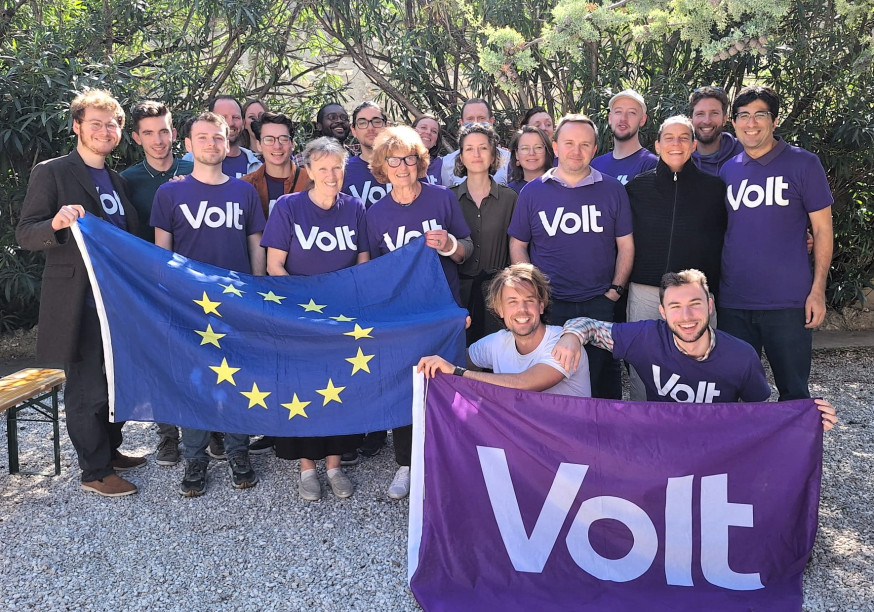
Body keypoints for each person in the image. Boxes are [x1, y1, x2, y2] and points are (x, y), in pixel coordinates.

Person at [16, 89, 145, 497]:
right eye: (96, 123)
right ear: (77, 127)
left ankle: (110, 450)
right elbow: (25, 233)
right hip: (80, 303)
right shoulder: (52, 172)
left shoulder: (119, 181)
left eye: (112, 125)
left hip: (117, 303)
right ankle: (93, 471)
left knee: (117, 381)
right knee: (87, 387)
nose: (105, 131)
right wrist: (55, 223)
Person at [551, 269, 838, 432]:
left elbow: (758, 416)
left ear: (710, 306)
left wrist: (804, 417)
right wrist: (572, 335)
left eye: (695, 304)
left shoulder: (741, 355)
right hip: (661, 443)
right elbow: (586, 324)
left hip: (714, 450)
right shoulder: (646, 337)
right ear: (662, 312)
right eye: (675, 307)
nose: (686, 316)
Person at [151, 111, 267, 497]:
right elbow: (161, 255)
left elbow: (255, 248)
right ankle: (195, 457)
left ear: (227, 142)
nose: (211, 144)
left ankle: (238, 451)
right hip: (188, 306)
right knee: (194, 382)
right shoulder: (170, 193)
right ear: (188, 144)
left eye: (218, 137)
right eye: (202, 137)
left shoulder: (244, 192)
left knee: (236, 379)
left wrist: (256, 296)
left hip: (234, 304)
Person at [260, 137, 369, 501]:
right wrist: (301, 305)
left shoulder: (355, 208)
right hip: (299, 317)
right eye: (323, 168)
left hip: (341, 316)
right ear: (308, 170)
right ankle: (308, 467)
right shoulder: (289, 207)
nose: (331, 175)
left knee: (339, 386)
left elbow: (363, 262)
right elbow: (274, 264)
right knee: (303, 387)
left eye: (337, 167)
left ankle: (334, 464)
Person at [366, 125, 472, 500]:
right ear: (382, 167)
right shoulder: (375, 214)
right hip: (401, 317)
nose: (402, 166)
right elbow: (372, 272)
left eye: (409, 158)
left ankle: (450, 461)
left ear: (419, 161)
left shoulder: (442, 199)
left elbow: (467, 252)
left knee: (447, 385)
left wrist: (449, 245)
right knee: (405, 388)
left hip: (441, 311)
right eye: (392, 160)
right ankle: (407, 464)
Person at [717, 85, 833, 402]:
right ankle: (744, 453)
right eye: (743, 116)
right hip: (735, 303)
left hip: (789, 303)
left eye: (760, 115)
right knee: (736, 394)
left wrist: (818, 291)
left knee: (794, 393)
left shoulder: (804, 164)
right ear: (734, 122)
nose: (751, 123)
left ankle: (795, 453)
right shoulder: (728, 170)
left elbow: (822, 230)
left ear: (774, 120)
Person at [508, 114, 633, 400]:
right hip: (552, 304)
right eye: (569, 143)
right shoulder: (533, 192)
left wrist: (614, 291)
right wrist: (532, 292)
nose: (576, 151)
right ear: (555, 146)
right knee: (554, 381)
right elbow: (518, 245)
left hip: (598, 301)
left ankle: (604, 441)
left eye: (585, 144)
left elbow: (626, 245)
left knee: (603, 380)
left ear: (594, 148)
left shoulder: (613, 189)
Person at [623, 115, 727, 400]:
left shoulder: (715, 189)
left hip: (695, 293)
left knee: (699, 363)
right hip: (646, 290)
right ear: (657, 145)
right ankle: (643, 424)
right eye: (669, 138)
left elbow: (733, 235)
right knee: (643, 362)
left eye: (683, 138)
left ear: (694, 145)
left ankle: (695, 431)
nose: (676, 144)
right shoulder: (636, 188)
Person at [120, 99, 194, 466]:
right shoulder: (128, 180)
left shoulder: (194, 168)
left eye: (163, 130)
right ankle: (168, 437)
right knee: (161, 360)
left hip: (198, 284)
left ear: (174, 133)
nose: (158, 139)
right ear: (136, 137)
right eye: (148, 133)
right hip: (152, 285)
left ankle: (208, 430)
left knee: (202, 354)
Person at [418, 262, 590, 396]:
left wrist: (458, 372)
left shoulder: (564, 342)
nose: (522, 309)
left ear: (541, 306)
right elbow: (451, 362)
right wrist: (453, 329)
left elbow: (523, 384)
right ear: (499, 309)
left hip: (569, 439)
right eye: (512, 302)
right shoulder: (497, 342)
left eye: (529, 300)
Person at [451, 123, 518, 343]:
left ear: (493, 155)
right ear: (461, 157)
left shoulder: (510, 199)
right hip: (458, 294)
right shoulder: (448, 198)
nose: (476, 154)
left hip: (498, 294)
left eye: (483, 148)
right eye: (469, 148)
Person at [241, 111, 310, 219]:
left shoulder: (310, 182)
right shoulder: (246, 186)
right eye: (269, 140)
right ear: (259, 145)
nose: (277, 146)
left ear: (292, 144)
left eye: (283, 139)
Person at [183, 95, 262, 178]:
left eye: (235, 117)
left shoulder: (257, 166)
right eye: (223, 118)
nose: (230, 123)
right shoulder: (190, 160)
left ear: (243, 122)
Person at [590, 89, 658, 185]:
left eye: (631, 113)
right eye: (618, 112)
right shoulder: (596, 165)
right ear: (610, 118)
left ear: (642, 119)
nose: (623, 118)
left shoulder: (650, 165)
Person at [440, 98, 511, 187]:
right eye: (470, 119)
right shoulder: (448, 163)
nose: (476, 123)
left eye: (481, 118)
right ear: (461, 123)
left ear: (491, 122)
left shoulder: (508, 159)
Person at [342, 101, 391, 207]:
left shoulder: (405, 166)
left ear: (387, 127)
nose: (370, 128)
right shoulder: (343, 171)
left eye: (377, 122)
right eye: (362, 123)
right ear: (354, 130)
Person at [688, 86, 743, 175]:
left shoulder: (744, 152)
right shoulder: (681, 156)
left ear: (724, 119)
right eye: (700, 114)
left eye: (714, 113)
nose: (707, 121)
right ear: (690, 120)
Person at [506, 126, 555, 193]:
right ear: (517, 154)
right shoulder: (509, 193)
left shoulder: (560, 188)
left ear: (547, 151)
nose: (531, 153)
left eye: (538, 147)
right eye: (525, 148)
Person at [413, 114, 443, 185]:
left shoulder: (442, 165)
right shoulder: (397, 160)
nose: (428, 132)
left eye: (434, 131)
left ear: (436, 141)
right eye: (423, 127)